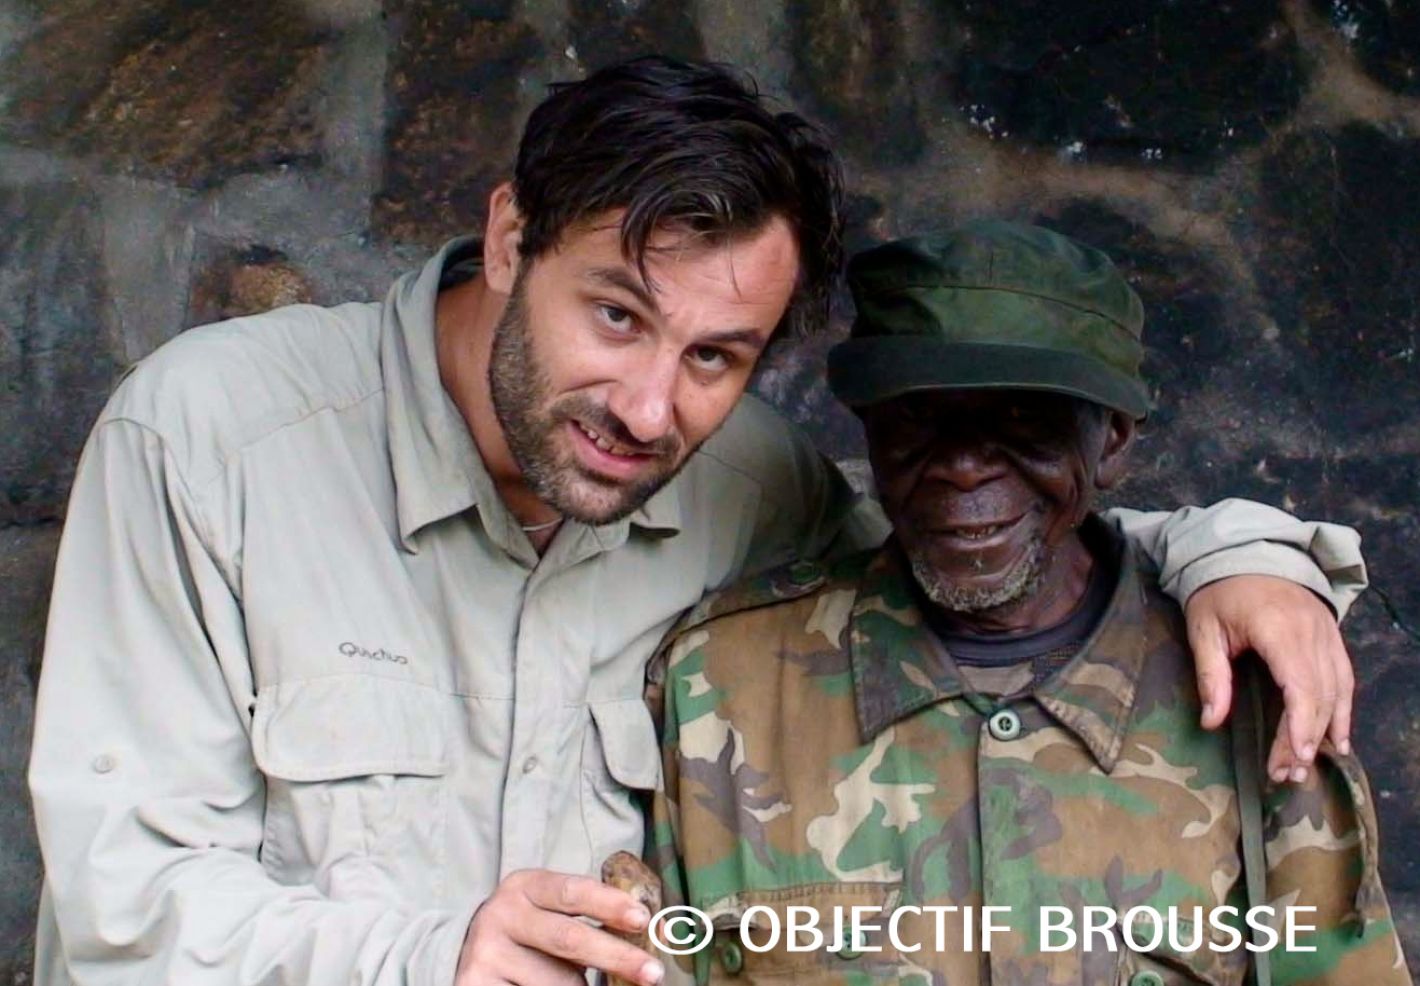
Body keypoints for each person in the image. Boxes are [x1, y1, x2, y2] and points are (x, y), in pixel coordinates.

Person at [29, 58, 1366, 986]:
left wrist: (1237, 554)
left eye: (719, 354)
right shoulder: (209, 439)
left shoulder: (746, 484)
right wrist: (432, 956)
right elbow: (118, 913)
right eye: (617, 314)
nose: (652, 406)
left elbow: (990, 520)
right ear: (509, 238)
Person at [649, 221, 1409, 985]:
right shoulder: (718, 686)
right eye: (916, 417)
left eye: (1020, 419)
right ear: (869, 430)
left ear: (1111, 440)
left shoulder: (1253, 695)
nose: (964, 466)